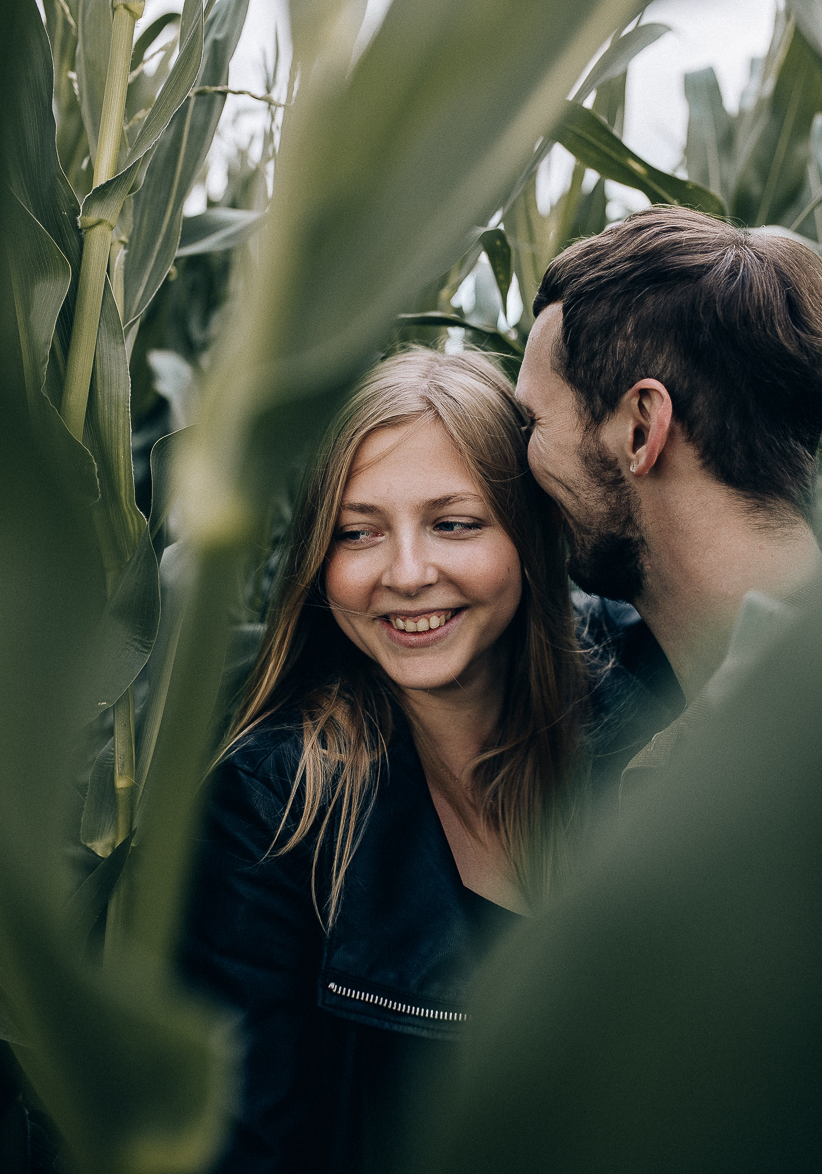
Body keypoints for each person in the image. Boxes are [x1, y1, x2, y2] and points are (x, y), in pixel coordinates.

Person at [183, 346, 597, 1174]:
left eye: (453, 523)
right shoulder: (274, 811)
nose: (406, 574)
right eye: (358, 533)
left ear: (529, 534)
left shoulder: (636, 720)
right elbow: (244, 1149)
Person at [515, 206, 822, 813]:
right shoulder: (659, 668)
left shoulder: (771, 765)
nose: (519, 461)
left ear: (641, 429)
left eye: (532, 422)